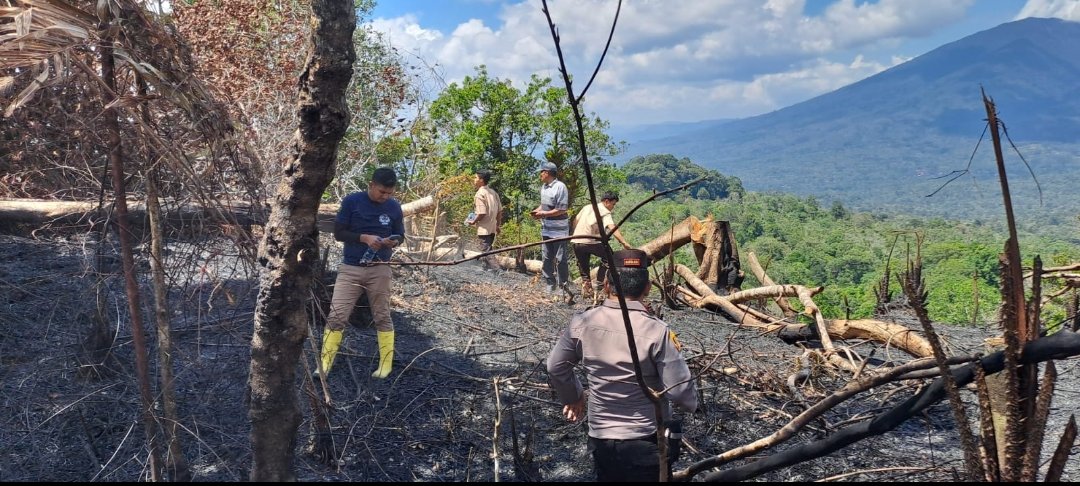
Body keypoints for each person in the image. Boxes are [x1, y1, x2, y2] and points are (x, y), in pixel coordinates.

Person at [546, 249, 698, 482]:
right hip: (646, 438)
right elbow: (681, 394)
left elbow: (555, 366)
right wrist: (691, 403)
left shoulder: (582, 323)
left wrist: (574, 396)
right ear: (647, 288)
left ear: (607, 285)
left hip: (601, 438)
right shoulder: (657, 331)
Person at [319, 167, 405, 380]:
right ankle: (325, 363)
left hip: (380, 268)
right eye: (381, 192)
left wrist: (393, 241)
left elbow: (401, 235)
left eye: (389, 193)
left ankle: (385, 365)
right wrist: (364, 238)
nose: (385, 197)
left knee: (382, 316)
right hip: (351, 268)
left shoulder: (394, 207)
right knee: (337, 315)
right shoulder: (352, 202)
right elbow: (339, 233)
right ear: (371, 185)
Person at [570, 191, 632, 299]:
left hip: (577, 241)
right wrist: (624, 242)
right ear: (607, 201)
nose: (613, 207)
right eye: (613, 204)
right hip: (591, 242)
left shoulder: (587, 207)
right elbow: (612, 227)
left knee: (583, 266)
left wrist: (577, 233)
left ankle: (587, 288)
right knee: (610, 257)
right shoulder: (604, 212)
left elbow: (575, 221)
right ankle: (599, 284)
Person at [531, 161, 570, 299]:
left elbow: (562, 209)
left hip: (559, 230)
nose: (540, 175)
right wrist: (537, 211)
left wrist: (544, 214)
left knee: (560, 258)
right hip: (546, 228)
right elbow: (544, 205)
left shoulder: (560, 187)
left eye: (541, 172)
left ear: (547, 173)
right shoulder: (544, 187)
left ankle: (562, 285)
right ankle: (550, 283)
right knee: (547, 257)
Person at [466, 168, 503, 270]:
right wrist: (497, 225)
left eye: (475, 177)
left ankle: (498, 270)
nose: (474, 180)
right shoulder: (493, 192)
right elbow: (500, 211)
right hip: (492, 228)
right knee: (487, 249)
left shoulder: (479, 194)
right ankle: (486, 269)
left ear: (481, 180)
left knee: (487, 251)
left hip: (484, 229)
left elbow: (481, 213)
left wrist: (473, 221)